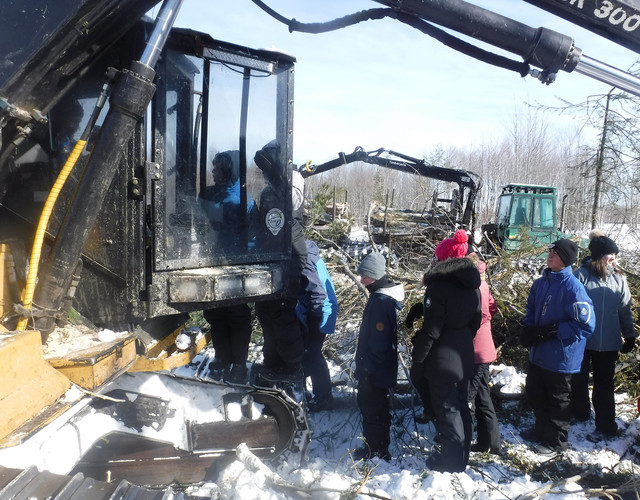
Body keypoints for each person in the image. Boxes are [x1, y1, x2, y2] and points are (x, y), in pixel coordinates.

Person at [410, 229, 481, 473]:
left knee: (448, 410)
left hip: (443, 359)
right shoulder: (472, 286)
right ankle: (462, 456)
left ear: (443, 260)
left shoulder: (439, 287)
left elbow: (432, 330)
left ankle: (451, 463)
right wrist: (460, 336)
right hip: (463, 354)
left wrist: (417, 361)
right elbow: (476, 320)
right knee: (461, 406)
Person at [521, 238, 595, 455]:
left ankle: (556, 442)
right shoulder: (541, 282)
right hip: (539, 353)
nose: (550, 255)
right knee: (536, 392)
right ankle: (541, 431)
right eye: (550, 251)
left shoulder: (573, 288)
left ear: (566, 259)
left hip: (561, 357)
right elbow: (531, 309)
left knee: (558, 400)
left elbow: (586, 325)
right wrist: (528, 329)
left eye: (555, 253)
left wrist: (554, 331)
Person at [571, 231, 636, 440]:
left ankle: (606, 425)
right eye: (610, 254)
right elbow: (569, 306)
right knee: (578, 380)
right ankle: (579, 413)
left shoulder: (619, 279)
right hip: (582, 340)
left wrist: (630, 334)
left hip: (609, 342)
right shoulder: (580, 276)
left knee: (604, 385)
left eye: (615, 255)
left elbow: (625, 308)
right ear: (599, 255)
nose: (614, 259)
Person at [252, 141, 307, 384]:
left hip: (290, 257)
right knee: (265, 312)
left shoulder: (294, 181)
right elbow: (261, 225)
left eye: (268, 165)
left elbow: (291, 201)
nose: (265, 173)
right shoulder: (266, 191)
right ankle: (272, 363)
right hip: (269, 257)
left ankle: (292, 367)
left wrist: (277, 171)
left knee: (282, 313)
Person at [353, 252, 404, 461]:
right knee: (373, 409)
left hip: (376, 370)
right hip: (377, 368)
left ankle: (378, 451)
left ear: (373, 276)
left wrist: (366, 370)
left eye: (364, 276)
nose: (361, 279)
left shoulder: (382, 301)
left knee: (374, 410)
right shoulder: (379, 296)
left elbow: (378, 341)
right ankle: (374, 447)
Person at [296, 239, 339, 411]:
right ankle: (303, 392)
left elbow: (318, 294)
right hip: (309, 308)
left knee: (312, 354)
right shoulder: (304, 253)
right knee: (304, 351)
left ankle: (324, 397)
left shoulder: (303, 259)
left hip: (319, 311)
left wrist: (314, 323)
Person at [466, 253, 501, 454]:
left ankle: (467, 441)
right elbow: (493, 308)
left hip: (477, 351)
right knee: (482, 396)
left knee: (470, 397)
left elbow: (482, 314)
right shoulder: (482, 284)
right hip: (482, 349)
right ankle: (489, 442)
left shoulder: (476, 287)